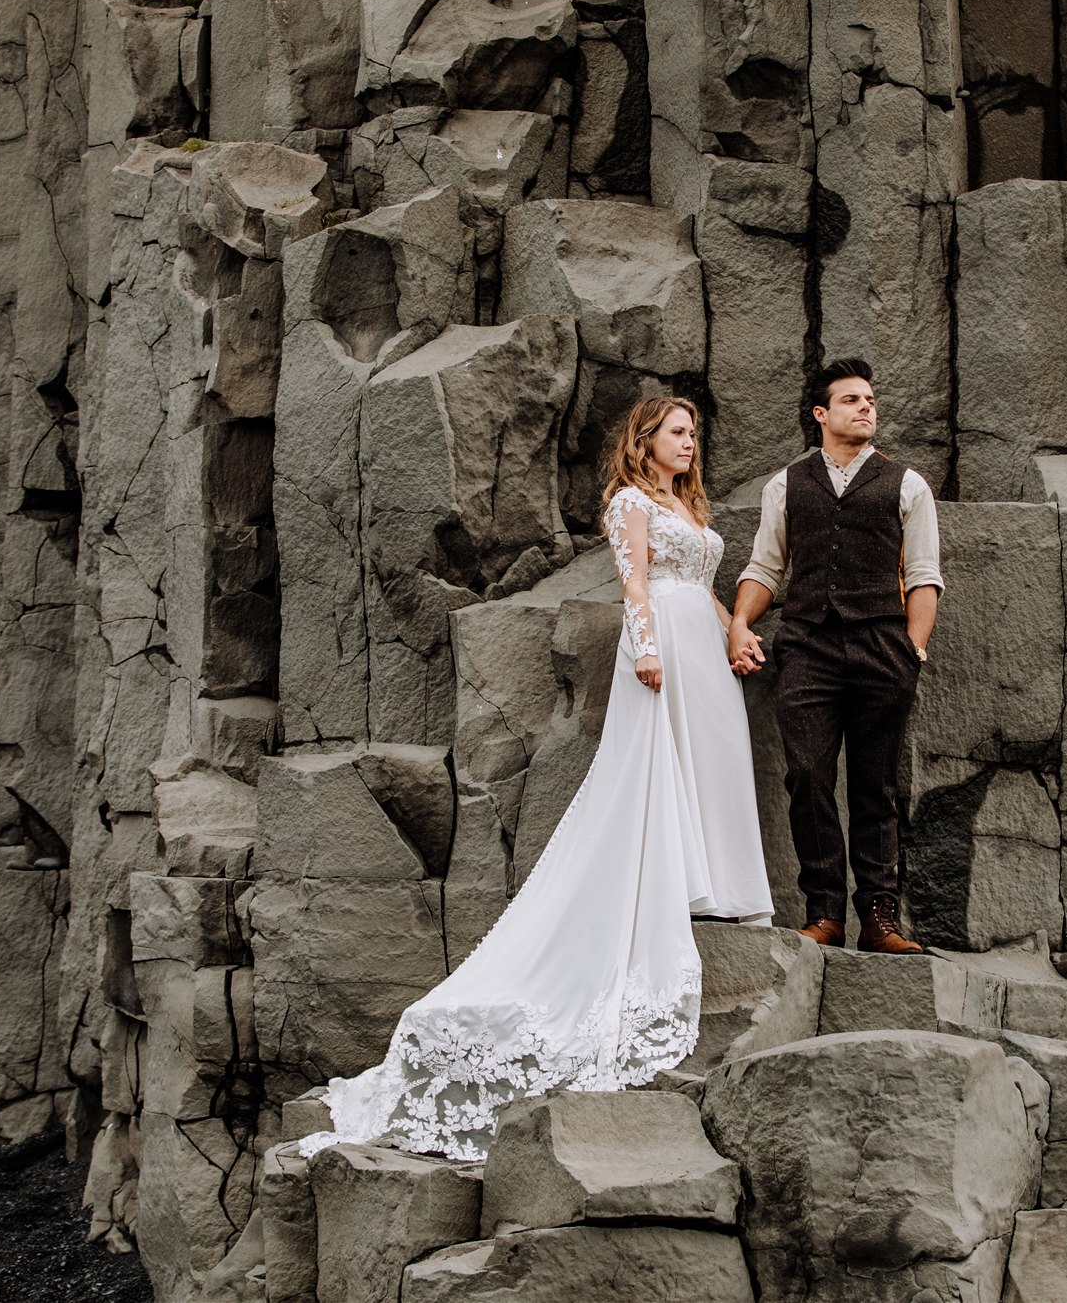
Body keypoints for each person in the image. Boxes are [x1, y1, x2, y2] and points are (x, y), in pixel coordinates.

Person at [299, 395, 772, 1162]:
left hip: (704, 646)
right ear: (645, 439)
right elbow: (636, 587)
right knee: (657, 768)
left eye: (693, 434)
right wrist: (647, 648)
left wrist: (736, 635)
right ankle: (660, 889)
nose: (691, 444)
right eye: (678, 433)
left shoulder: (686, 503)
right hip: (661, 649)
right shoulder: (628, 502)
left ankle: (715, 884)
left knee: (712, 763)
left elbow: (707, 590)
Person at [728, 359, 943, 954]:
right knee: (808, 779)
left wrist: (913, 650)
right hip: (807, 648)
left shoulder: (907, 484)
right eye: (851, 400)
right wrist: (740, 622)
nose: (866, 408)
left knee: (876, 787)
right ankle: (824, 913)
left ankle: (879, 918)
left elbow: (925, 575)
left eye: (870, 399)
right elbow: (767, 567)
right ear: (822, 414)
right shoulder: (785, 485)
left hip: (883, 648)